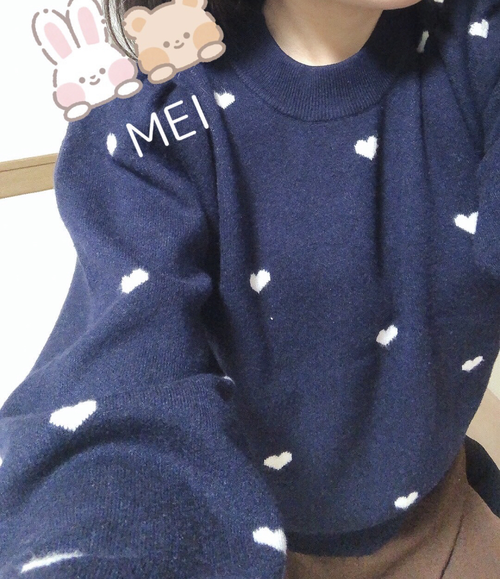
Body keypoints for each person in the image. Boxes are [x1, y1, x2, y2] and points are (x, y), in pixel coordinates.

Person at [0, 0, 499, 577]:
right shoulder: (149, 110)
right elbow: (123, 388)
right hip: (233, 535)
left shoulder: (477, 44)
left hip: (443, 521)